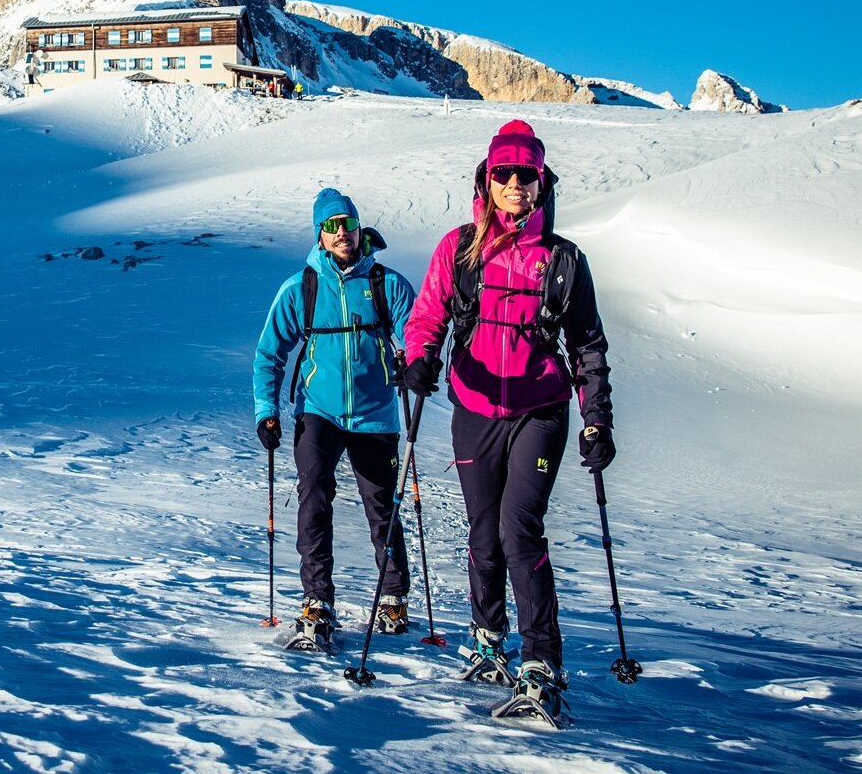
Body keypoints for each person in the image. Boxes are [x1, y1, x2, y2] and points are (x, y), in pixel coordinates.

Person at [401, 120, 615, 720]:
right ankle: (488, 639)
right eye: (505, 173)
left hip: (539, 411)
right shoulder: (458, 248)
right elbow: (427, 316)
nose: (516, 183)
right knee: (483, 532)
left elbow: (587, 346)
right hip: (474, 409)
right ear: (487, 180)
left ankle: (541, 662)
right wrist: (419, 359)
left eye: (527, 174)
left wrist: (596, 419)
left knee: (519, 528)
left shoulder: (563, 260)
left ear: (542, 182)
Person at [253, 188, 419, 649]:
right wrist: (267, 411)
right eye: (331, 226)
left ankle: (393, 597)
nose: (342, 232)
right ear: (320, 235)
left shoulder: (387, 285)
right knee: (314, 499)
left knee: (383, 506)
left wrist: (413, 360)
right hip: (318, 412)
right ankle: (317, 599)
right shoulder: (301, 288)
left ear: (360, 227)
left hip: (375, 414)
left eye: (347, 223)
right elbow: (269, 355)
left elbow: (417, 333)